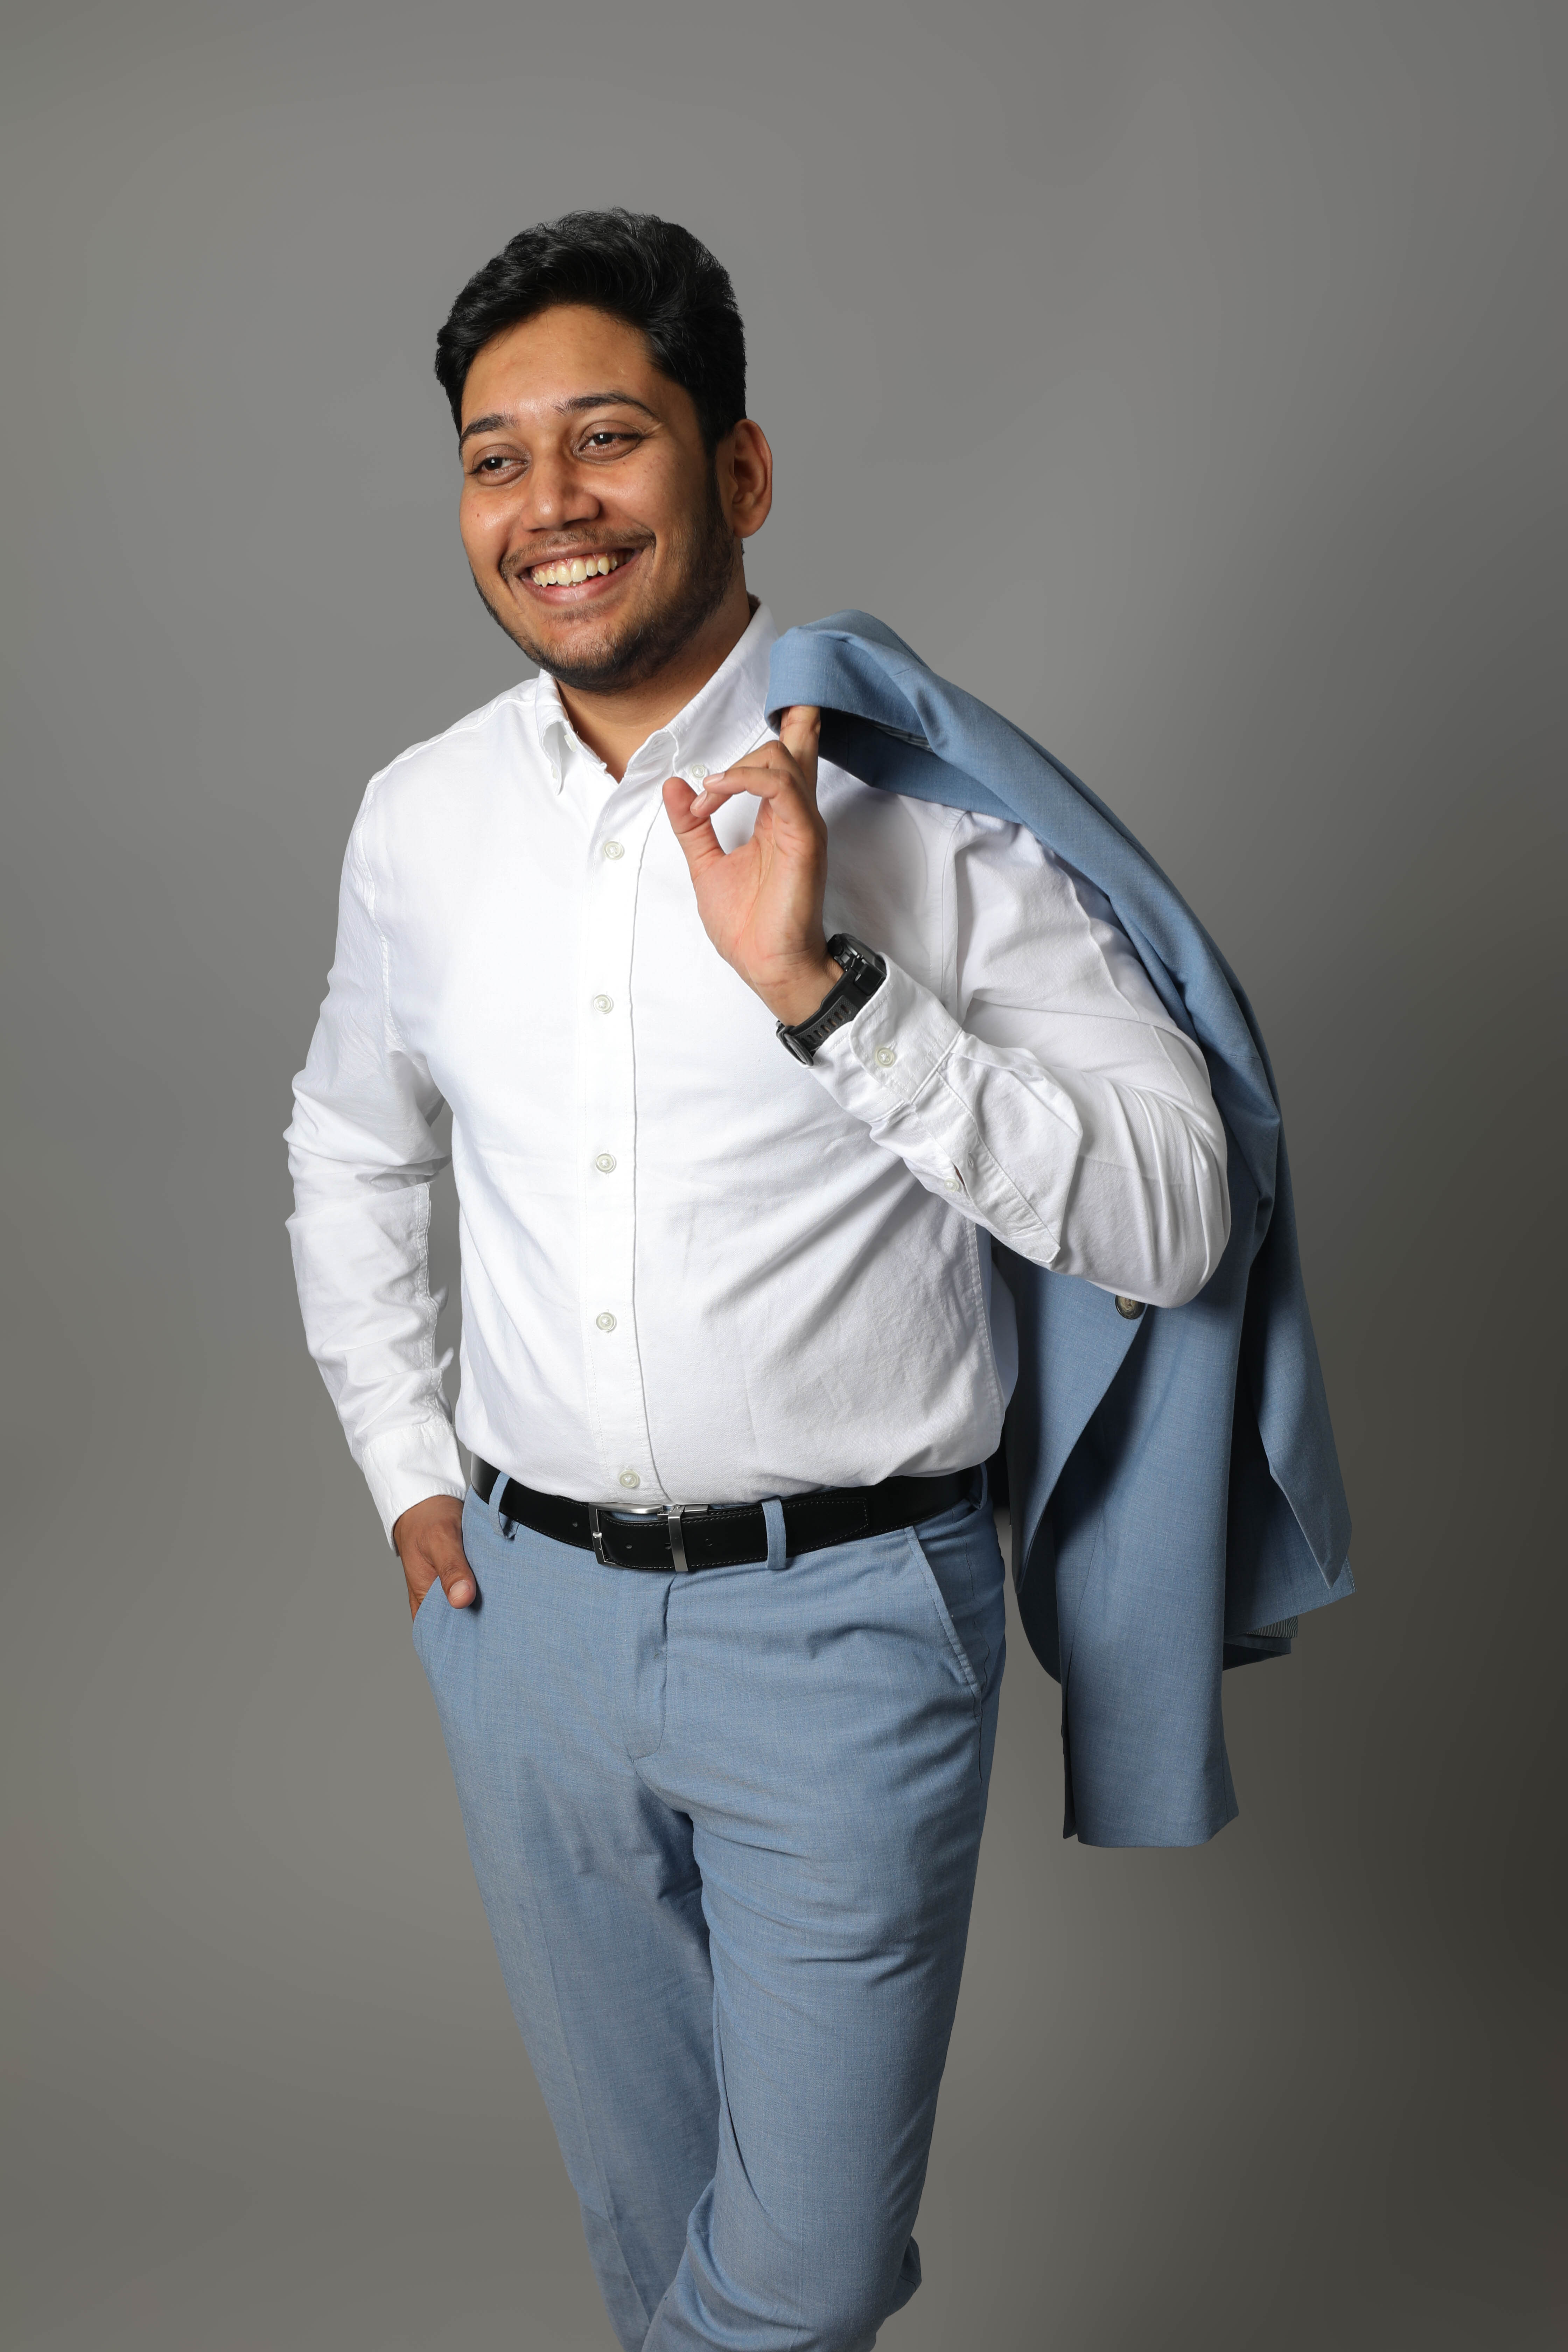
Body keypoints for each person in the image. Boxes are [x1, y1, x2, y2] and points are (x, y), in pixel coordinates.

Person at [286, 209, 1231, 2351]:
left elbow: (1178, 1214)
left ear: (742, 468)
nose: (551, 503)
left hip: (851, 1626)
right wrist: (405, 1464)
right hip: (523, 1627)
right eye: (497, 457)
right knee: (655, 2243)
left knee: (796, 2274)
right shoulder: (422, 820)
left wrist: (829, 995)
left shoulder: (935, 824)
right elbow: (350, 1142)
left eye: (608, 437)